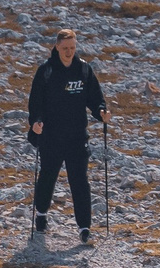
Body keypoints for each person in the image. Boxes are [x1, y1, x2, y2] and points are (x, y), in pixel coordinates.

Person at [27, 29, 105, 246]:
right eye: (65, 48)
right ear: (57, 47)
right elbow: (35, 102)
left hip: (77, 137)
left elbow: (95, 98)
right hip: (51, 136)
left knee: (80, 181)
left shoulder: (84, 70)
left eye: (72, 48)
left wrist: (101, 111)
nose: (69, 52)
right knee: (48, 176)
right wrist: (36, 122)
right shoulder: (46, 71)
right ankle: (41, 213)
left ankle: (84, 228)